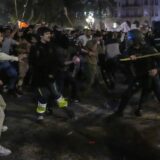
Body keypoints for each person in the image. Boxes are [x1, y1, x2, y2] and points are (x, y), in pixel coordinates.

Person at [29, 27, 74, 121]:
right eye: (47, 34)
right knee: (43, 97)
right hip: (40, 78)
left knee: (57, 94)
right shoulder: (35, 47)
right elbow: (33, 63)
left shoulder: (52, 46)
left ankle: (66, 109)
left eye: (50, 33)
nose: (49, 35)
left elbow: (56, 61)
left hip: (51, 77)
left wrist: (54, 71)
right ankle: (40, 114)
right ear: (41, 35)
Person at [114, 29, 160, 117]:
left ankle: (140, 108)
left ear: (136, 40)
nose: (128, 40)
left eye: (130, 39)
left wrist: (157, 70)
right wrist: (128, 57)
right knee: (127, 94)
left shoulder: (149, 49)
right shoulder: (129, 50)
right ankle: (119, 112)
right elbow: (119, 58)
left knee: (155, 93)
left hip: (152, 76)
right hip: (139, 76)